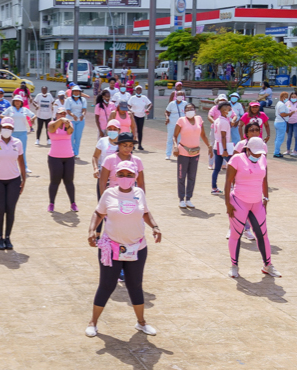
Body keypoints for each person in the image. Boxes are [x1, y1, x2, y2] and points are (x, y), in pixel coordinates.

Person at [86, 160, 161, 337]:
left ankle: (141, 322)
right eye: (121, 175)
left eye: (129, 175)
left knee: (135, 285)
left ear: (135, 176)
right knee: (106, 285)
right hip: (112, 247)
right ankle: (93, 322)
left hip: (137, 247)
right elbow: (98, 213)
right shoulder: (109, 194)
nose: (125, 178)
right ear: (116, 176)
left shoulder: (139, 193)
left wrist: (155, 226)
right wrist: (92, 230)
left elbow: (145, 212)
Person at [223, 137, 280, 278]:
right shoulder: (237, 159)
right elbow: (228, 182)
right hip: (238, 202)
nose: (257, 155)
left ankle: (268, 265)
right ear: (247, 149)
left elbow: (264, 180)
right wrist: (228, 204)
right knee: (236, 235)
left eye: (259, 153)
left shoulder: (263, 159)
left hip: (257, 203)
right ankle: (234, 266)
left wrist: (265, 198)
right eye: (255, 153)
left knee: (263, 234)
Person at [0, 117, 26, 250]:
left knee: (10, 209)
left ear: (13, 129)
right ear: (0, 127)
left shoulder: (17, 143)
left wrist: (24, 180)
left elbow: (21, 162)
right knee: (0, 209)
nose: (7, 130)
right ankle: (0, 238)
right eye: (4, 127)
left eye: (9, 128)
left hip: (14, 180)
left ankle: (8, 237)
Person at [173, 102, 212, 208]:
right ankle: (181, 199)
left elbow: (203, 134)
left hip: (195, 152)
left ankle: (188, 198)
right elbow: (175, 136)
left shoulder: (199, 119)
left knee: (192, 176)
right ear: (184, 111)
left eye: (191, 108)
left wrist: (209, 146)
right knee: (182, 176)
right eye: (187, 109)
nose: (190, 110)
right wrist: (175, 146)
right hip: (183, 151)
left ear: (195, 110)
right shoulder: (181, 120)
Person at [46, 106, 76, 212]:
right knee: (55, 181)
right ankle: (51, 203)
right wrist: (61, 120)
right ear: (56, 115)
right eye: (60, 114)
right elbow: (51, 129)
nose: (63, 115)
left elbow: (70, 132)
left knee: (69, 181)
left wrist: (67, 124)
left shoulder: (69, 124)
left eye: (64, 114)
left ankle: (73, 203)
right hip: (55, 157)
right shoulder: (51, 124)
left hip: (69, 157)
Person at [2, 93, 35, 172]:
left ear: (21, 102)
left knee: (22, 150)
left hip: (23, 132)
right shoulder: (10, 109)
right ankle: (11, 166)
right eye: (16, 101)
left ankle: (25, 167)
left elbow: (33, 115)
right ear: (13, 102)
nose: (17, 102)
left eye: (19, 101)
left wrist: (32, 119)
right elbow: (1, 115)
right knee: (11, 150)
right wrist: (7, 118)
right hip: (12, 133)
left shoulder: (24, 109)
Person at [210, 100, 233, 196]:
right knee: (233, 165)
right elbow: (223, 136)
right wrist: (225, 150)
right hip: (223, 147)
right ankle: (232, 185)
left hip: (217, 146)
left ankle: (214, 187)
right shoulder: (224, 122)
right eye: (229, 110)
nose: (231, 111)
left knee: (217, 168)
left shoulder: (217, 120)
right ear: (224, 111)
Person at [64, 85, 89, 157]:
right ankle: (70, 151)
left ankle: (76, 153)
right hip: (71, 120)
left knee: (78, 137)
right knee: (71, 137)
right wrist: (73, 115)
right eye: (75, 91)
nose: (76, 93)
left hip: (80, 120)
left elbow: (84, 110)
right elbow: (68, 110)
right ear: (72, 92)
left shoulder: (83, 100)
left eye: (78, 91)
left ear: (80, 92)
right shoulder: (69, 100)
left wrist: (82, 115)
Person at [127, 85, 151, 151]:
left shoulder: (144, 98)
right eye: (137, 90)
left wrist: (148, 109)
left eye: (140, 90)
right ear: (135, 91)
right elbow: (128, 106)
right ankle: (132, 144)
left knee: (140, 131)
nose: (138, 91)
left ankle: (140, 144)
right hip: (134, 115)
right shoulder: (132, 98)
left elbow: (150, 104)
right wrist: (130, 110)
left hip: (141, 116)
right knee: (134, 130)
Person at [164, 90, 187, 160]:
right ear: (176, 96)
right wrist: (167, 118)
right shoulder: (172, 103)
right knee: (170, 139)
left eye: (181, 95)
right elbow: (166, 112)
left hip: (182, 124)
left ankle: (179, 153)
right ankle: (168, 154)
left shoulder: (185, 103)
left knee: (180, 139)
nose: (180, 96)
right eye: (179, 95)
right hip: (172, 123)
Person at [272, 91, 292, 158]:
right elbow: (282, 114)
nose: (287, 99)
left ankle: (276, 151)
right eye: (286, 97)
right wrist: (290, 114)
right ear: (283, 97)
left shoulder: (279, 103)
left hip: (278, 122)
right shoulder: (282, 105)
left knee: (277, 138)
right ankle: (276, 152)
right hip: (281, 122)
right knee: (280, 138)